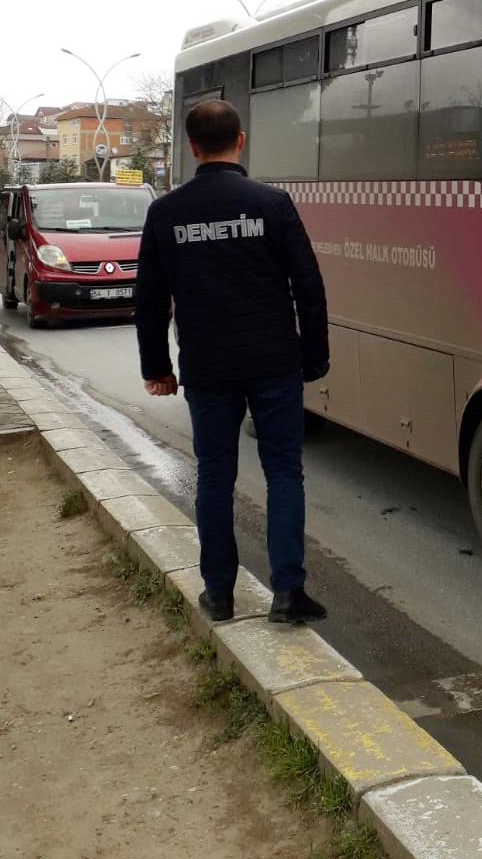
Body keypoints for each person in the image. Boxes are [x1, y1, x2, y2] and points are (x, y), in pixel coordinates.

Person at [134, 98, 329, 625]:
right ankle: (288, 595)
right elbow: (308, 286)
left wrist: (157, 367)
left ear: (192, 148)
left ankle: (218, 594)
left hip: (207, 367)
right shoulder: (272, 203)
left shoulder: (166, 212)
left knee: (215, 477)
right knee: (284, 473)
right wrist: (314, 356)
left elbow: (149, 297)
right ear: (240, 141)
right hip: (274, 363)